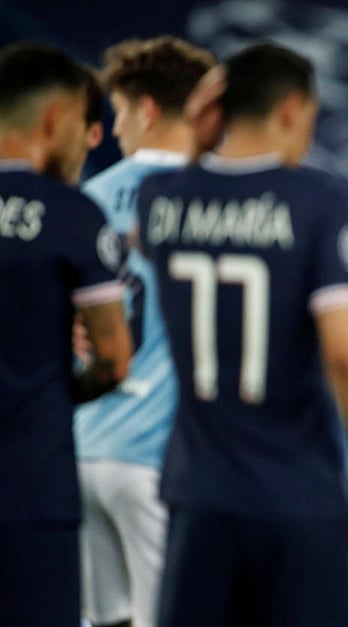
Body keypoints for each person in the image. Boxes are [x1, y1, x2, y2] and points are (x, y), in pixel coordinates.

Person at [136, 43, 348, 626]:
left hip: (197, 494)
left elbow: (186, 188)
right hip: (296, 495)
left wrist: (202, 141)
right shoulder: (315, 197)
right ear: (290, 109)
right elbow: (344, 353)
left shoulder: (160, 198)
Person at [72, 37, 216, 627]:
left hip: (84, 447)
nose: (119, 128)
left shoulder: (84, 201)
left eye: (121, 112)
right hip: (165, 459)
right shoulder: (214, 200)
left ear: (148, 109)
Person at [0, 41, 133, 627]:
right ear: (56, 118)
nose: (89, 140)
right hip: (32, 486)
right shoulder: (70, 212)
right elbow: (112, 359)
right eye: (86, 124)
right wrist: (58, 391)